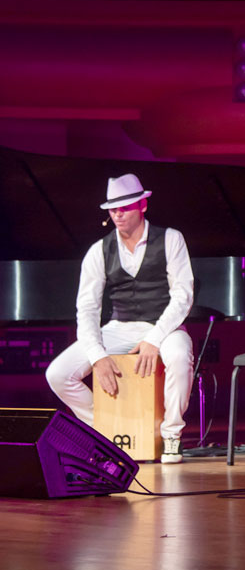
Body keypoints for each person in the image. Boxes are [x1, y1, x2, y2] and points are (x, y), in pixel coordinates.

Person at [46, 173, 195, 464]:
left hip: (163, 325)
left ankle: (171, 436)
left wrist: (154, 338)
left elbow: (183, 296)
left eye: (125, 207)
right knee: (58, 374)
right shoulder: (98, 251)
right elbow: (87, 309)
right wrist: (97, 355)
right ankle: (105, 429)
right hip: (119, 326)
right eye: (113, 209)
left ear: (142, 205)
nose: (118, 214)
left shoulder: (170, 239)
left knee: (178, 355)